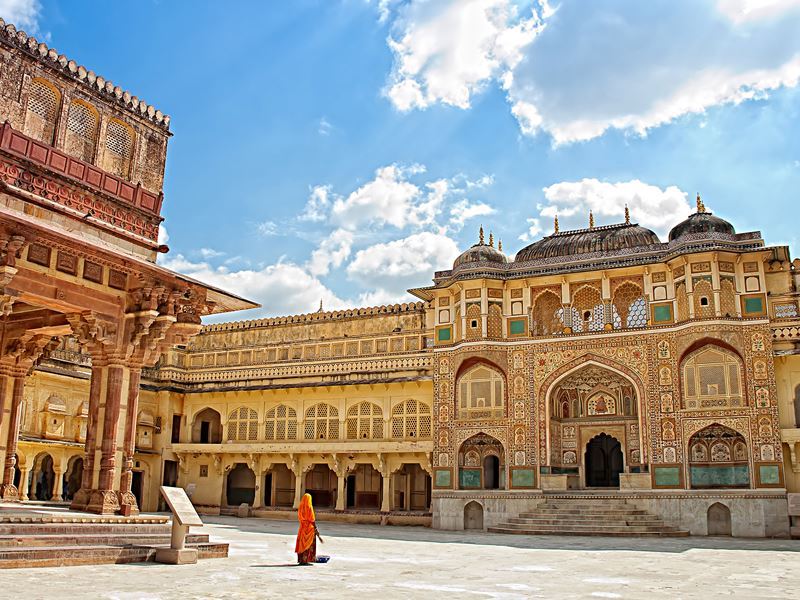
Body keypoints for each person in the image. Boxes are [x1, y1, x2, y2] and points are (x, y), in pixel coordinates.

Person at [295, 493, 321, 565]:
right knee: (308, 544)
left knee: (302, 544)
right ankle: (306, 560)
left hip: (302, 528)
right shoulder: (309, 507)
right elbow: (312, 520)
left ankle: (301, 560)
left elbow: (300, 518)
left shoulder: (300, 507)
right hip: (309, 529)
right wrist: (316, 528)